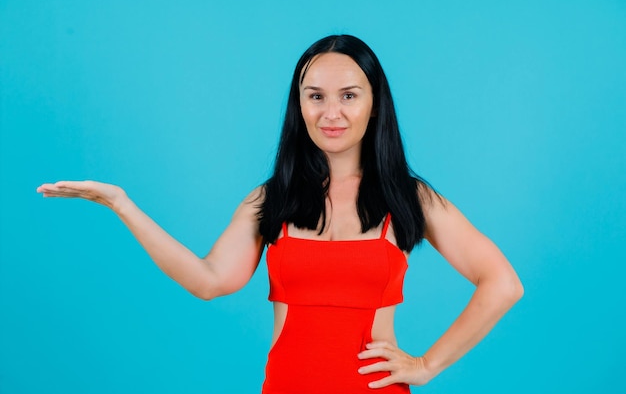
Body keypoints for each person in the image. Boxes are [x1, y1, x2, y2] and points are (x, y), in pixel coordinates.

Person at [37, 34, 524, 393]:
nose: (330, 113)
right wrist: (122, 204)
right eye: (315, 96)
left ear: (375, 104)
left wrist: (426, 365)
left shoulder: (409, 197)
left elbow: (503, 282)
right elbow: (210, 280)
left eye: (348, 96)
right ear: (300, 104)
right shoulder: (271, 199)